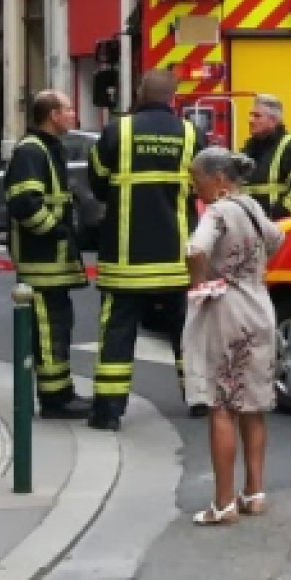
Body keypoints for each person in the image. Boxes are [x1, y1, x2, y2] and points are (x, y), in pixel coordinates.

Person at [87, 69, 206, 431]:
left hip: (126, 260)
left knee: (118, 334)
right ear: (173, 98)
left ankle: (108, 412)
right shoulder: (191, 135)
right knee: (188, 330)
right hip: (176, 259)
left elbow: (97, 183)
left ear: (140, 93)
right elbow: (202, 189)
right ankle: (199, 399)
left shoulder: (117, 131)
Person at [182, 147, 283, 526]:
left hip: (227, 311)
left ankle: (223, 503)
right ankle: (254, 493)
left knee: (221, 403)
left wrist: (200, 281)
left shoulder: (219, 211)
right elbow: (277, 239)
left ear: (219, 178)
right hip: (260, 306)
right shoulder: (253, 207)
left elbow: (196, 249)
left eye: (199, 180)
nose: (197, 189)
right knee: (253, 404)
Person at [4, 91, 91, 419]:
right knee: (47, 329)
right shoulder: (31, 151)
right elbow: (25, 203)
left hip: (52, 261)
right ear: (53, 115)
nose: (73, 115)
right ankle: (55, 401)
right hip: (41, 261)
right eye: (68, 109)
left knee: (58, 327)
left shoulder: (47, 149)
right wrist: (57, 231)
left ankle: (61, 392)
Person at [239, 95, 291, 219]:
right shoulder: (249, 147)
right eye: (251, 115)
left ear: (273, 120)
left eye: (257, 116)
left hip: (279, 229)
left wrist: (275, 215)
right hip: (253, 228)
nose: (250, 120)